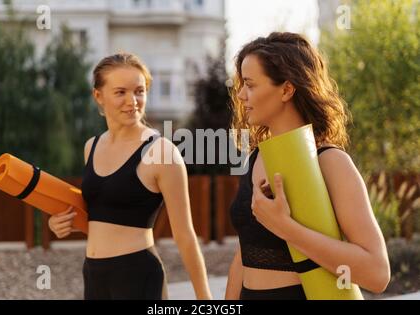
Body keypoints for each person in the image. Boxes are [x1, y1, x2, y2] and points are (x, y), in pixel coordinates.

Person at [225, 32, 390, 300]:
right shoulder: (255, 158)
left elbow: (377, 272)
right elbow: (245, 252)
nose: (241, 95)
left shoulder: (330, 162)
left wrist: (286, 228)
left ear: (287, 90)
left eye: (251, 85)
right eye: (242, 84)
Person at [48, 52, 212, 300]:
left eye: (139, 90)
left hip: (138, 276)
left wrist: (205, 300)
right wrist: (59, 224)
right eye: (120, 92)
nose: (132, 100)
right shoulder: (91, 146)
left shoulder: (162, 152)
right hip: (93, 275)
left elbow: (185, 235)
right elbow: (100, 215)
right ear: (98, 96)